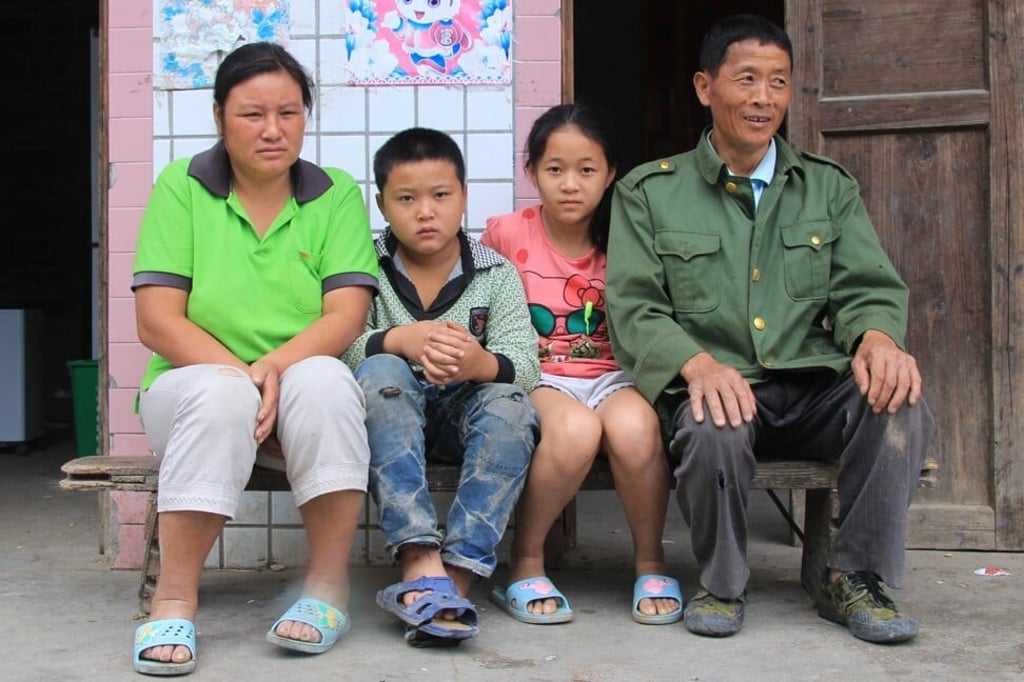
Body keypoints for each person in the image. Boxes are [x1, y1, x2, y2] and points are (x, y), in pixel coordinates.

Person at [606, 14, 936, 643]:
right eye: (747, 80)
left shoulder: (827, 188)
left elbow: (866, 286)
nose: (763, 99)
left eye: (778, 83)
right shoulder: (650, 193)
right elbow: (635, 306)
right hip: (720, 382)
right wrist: (696, 364)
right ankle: (723, 582)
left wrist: (877, 338)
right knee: (712, 423)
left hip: (811, 385)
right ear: (705, 87)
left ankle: (854, 576)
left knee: (900, 403)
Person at [131, 42, 378, 675]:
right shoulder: (182, 187)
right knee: (221, 392)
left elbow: (346, 316)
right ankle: (174, 599)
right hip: (192, 394)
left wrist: (270, 373)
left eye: (289, 112)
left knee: (325, 378)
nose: (273, 130)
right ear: (218, 117)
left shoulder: (336, 194)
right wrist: (244, 380)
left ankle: (325, 589)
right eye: (251, 114)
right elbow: (159, 320)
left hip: (295, 392)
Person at [481, 104, 681, 625]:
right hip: (540, 375)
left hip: (615, 374)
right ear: (532, 173)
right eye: (554, 169)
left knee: (638, 430)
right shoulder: (507, 235)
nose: (570, 184)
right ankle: (525, 560)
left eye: (587, 170)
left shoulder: (630, 236)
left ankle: (650, 561)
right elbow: (478, 304)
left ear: (611, 173)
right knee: (574, 432)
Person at [341, 127, 540, 647]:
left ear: (464, 198)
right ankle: (416, 556)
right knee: (381, 371)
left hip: (460, 422)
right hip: (385, 421)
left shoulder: (494, 273)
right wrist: (397, 339)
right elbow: (339, 347)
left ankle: (458, 574)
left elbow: (526, 364)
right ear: (382, 204)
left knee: (512, 408)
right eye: (406, 199)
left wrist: (477, 364)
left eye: (440, 196)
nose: (425, 212)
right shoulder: (365, 267)